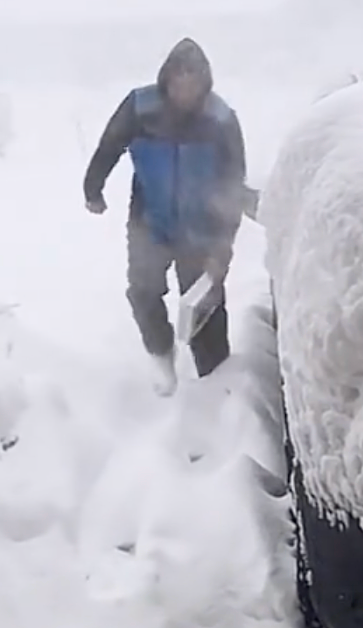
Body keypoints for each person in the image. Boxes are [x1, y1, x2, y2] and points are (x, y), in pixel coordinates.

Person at [83, 37, 247, 395]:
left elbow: (234, 184)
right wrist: (92, 188)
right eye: (178, 79)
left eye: (193, 80)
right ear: (166, 79)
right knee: (143, 293)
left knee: (205, 304)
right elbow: (110, 145)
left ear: (205, 82)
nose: (185, 88)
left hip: (201, 230)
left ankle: (216, 385)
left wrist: (223, 248)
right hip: (150, 222)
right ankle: (162, 358)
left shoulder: (220, 119)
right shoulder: (140, 108)